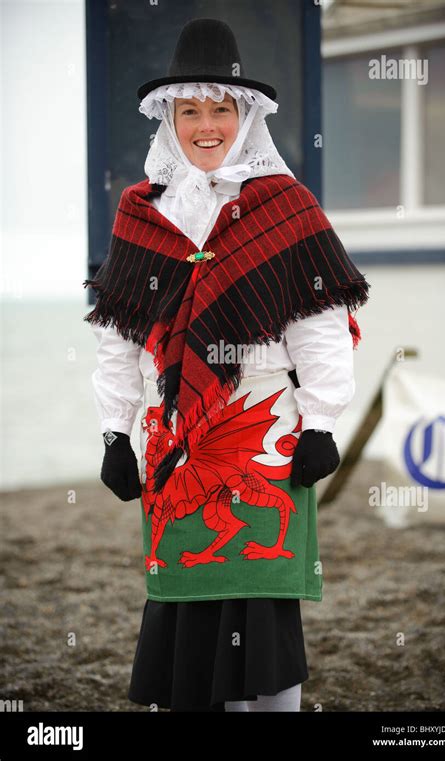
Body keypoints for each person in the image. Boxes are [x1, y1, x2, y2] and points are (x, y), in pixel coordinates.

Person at [83, 18, 370, 712]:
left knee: (262, 602)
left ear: (245, 117)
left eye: (221, 109)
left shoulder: (287, 208)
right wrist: (115, 433)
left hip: (266, 432)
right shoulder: (139, 213)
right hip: (176, 440)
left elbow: (319, 322)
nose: (206, 125)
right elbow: (119, 337)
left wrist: (322, 421)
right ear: (171, 119)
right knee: (186, 592)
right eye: (191, 111)